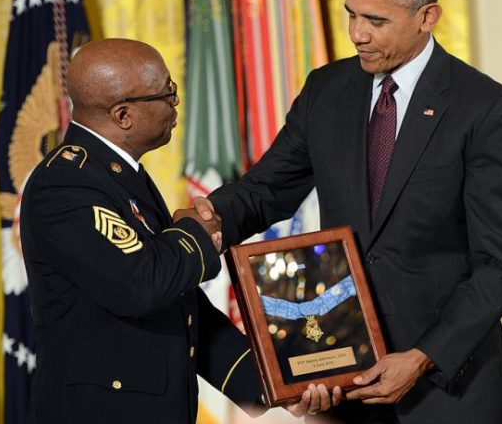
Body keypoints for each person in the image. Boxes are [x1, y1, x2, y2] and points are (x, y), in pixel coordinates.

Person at [194, 0, 502, 423]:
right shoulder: (326, 90)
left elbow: (499, 264)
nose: (357, 34)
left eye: (375, 21)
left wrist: (422, 357)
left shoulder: (483, 107)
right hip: (346, 378)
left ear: (427, 16)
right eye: (351, 13)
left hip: (448, 389)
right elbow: (266, 190)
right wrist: (207, 219)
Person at [19, 38, 339, 423]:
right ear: (123, 115)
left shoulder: (119, 175)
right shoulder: (66, 184)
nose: (175, 104)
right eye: (166, 93)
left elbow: (180, 309)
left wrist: (275, 385)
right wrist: (195, 230)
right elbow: (141, 284)